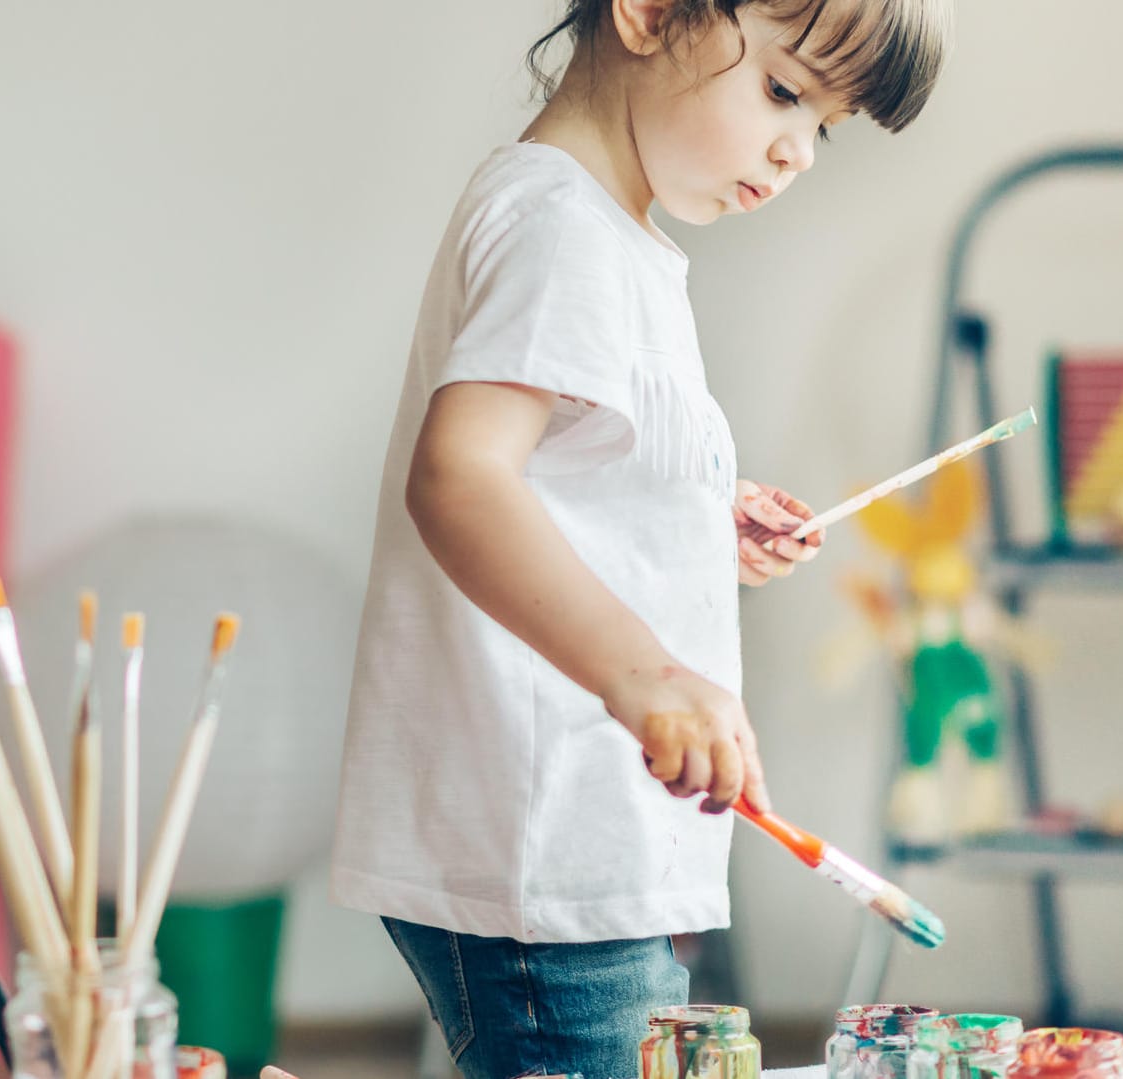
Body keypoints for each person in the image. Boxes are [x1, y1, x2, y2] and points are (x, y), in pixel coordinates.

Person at [331, 3, 951, 1077]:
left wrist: (700, 519)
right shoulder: (560, 227)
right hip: (551, 852)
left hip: (577, 836)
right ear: (652, 13)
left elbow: (560, 478)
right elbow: (462, 480)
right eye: (784, 91)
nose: (797, 151)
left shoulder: (604, 233)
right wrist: (650, 675)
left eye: (825, 126)